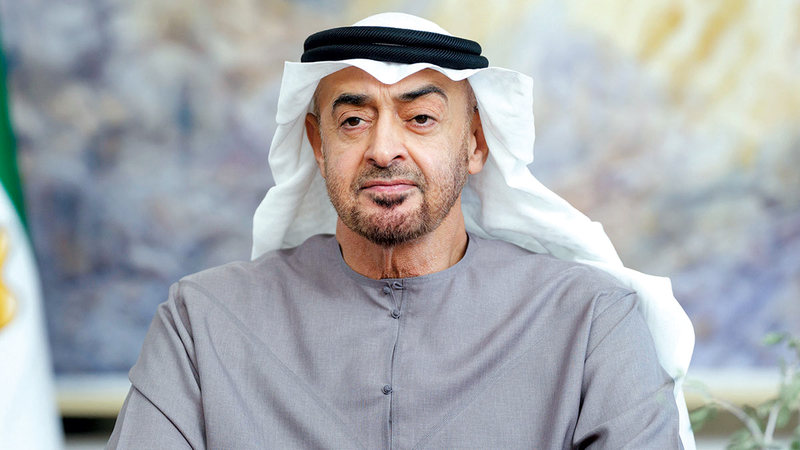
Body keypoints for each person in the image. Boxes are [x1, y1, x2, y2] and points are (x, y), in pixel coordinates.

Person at [108, 13, 694, 449]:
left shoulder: (590, 322)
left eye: (420, 118)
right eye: (353, 120)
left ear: (476, 144)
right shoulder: (203, 322)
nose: (384, 149)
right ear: (317, 144)